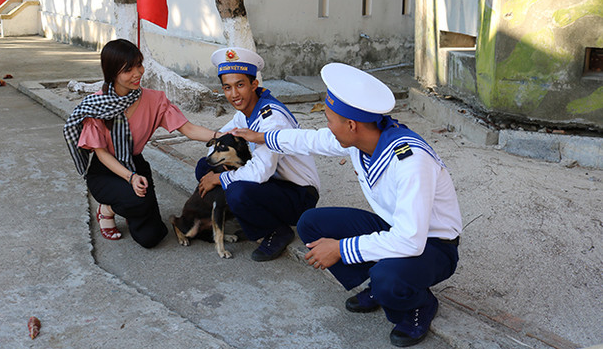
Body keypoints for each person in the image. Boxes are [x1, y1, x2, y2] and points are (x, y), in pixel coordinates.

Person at [234, 63, 462, 347]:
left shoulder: (410, 162)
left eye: (329, 119)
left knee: (387, 277)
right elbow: (311, 140)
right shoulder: (361, 140)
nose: (327, 126)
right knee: (311, 224)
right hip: (397, 228)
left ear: (351, 125)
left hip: (433, 245)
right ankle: (378, 286)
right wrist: (262, 136)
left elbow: (411, 241)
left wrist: (341, 249)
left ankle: (418, 304)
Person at [63, 39, 217, 248]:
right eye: (128, 69)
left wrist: (223, 135)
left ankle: (131, 207)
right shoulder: (96, 105)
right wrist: (131, 178)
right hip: (105, 171)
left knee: (152, 237)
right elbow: (101, 154)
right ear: (112, 73)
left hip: (135, 163)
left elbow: (188, 129)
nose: (138, 73)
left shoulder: (154, 100)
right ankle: (107, 209)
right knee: (135, 200)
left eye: (139, 65)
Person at [196, 48, 320, 262]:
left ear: (254, 85)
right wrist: (220, 168)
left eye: (240, 85)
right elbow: (219, 140)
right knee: (205, 166)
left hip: (299, 195)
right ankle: (245, 215)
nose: (234, 94)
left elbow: (262, 172)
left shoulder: (271, 119)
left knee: (236, 190)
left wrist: (220, 177)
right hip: (273, 186)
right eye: (228, 87)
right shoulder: (245, 113)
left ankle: (276, 231)